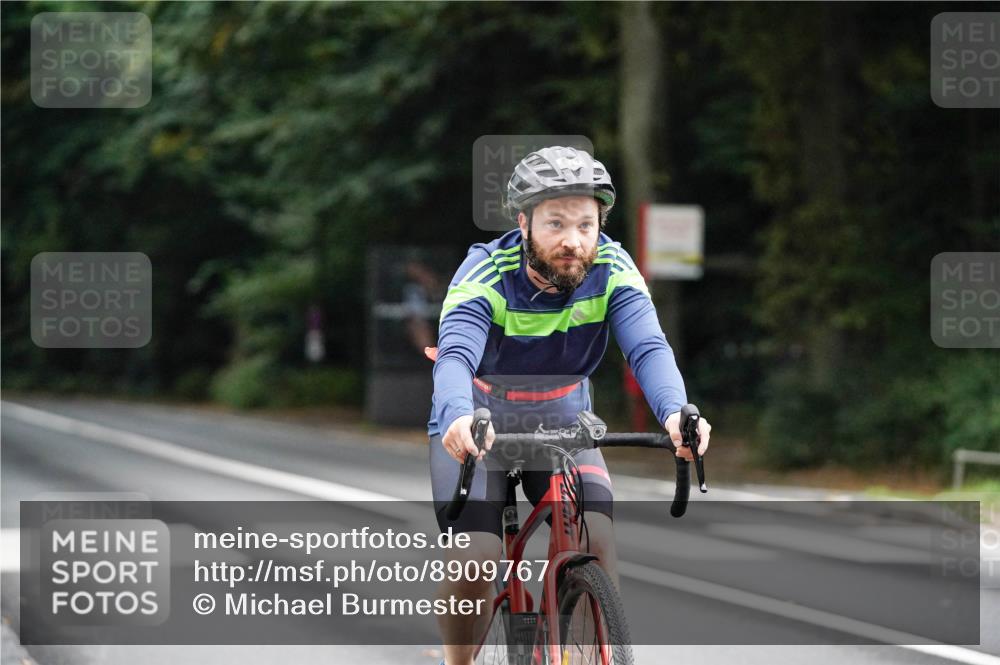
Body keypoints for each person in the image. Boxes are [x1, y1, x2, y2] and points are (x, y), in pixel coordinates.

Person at [427, 146, 711, 665]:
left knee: (597, 538)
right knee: (476, 560)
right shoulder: (485, 272)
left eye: (586, 224)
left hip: (563, 419)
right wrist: (456, 416)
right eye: (555, 223)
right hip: (479, 419)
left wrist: (676, 412)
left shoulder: (614, 268)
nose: (572, 241)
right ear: (524, 222)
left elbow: (647, 347)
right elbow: (454, 357)